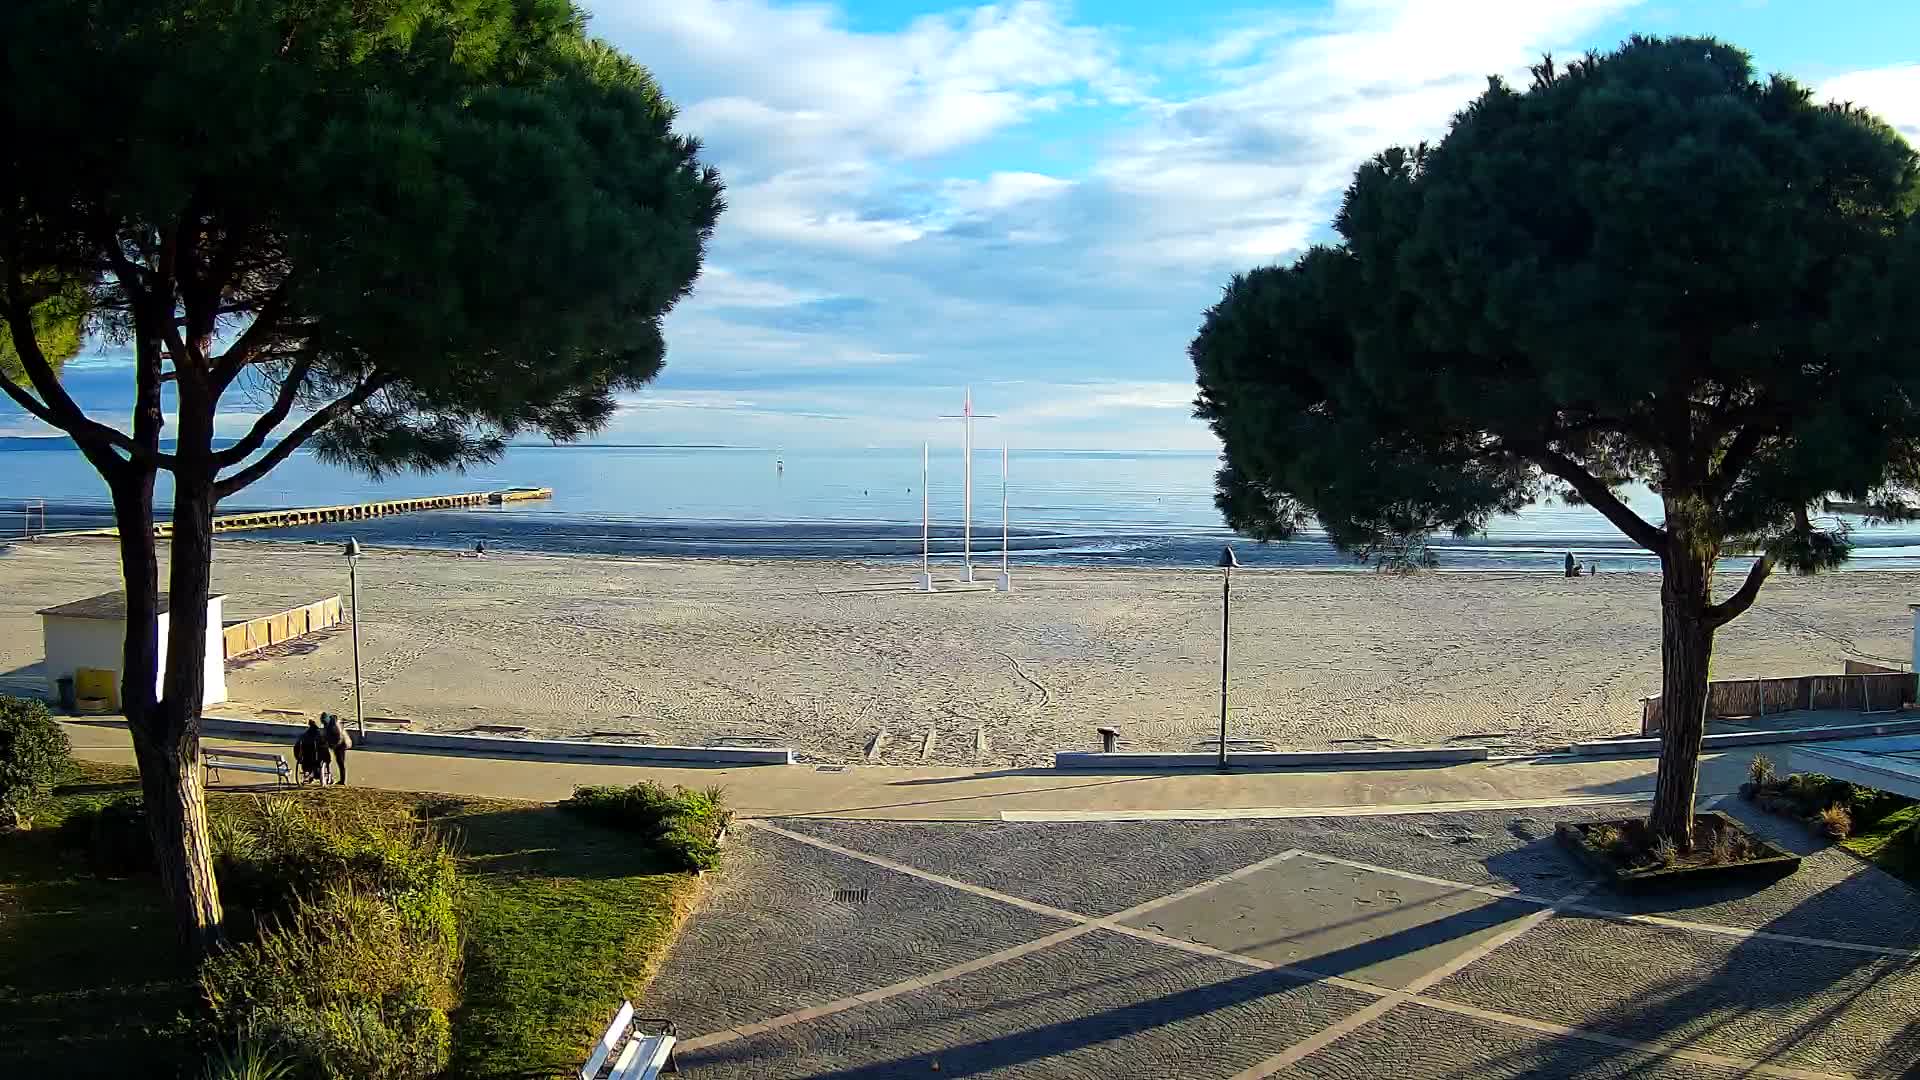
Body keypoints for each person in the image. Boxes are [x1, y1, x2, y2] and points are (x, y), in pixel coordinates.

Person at [321, 711, 353, 785]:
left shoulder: (335, 725)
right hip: (335, 744)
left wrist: (333, 745)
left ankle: (342, 781)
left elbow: (340, 738)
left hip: (341, 745)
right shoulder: (328, 724)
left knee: (340, 762)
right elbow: (326, 735)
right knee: (335, 761)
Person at [294, 718, 327, 784]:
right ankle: (318, 776)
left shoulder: (304, 735)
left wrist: (298, 758)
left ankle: (308, 775)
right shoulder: (319, 735)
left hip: (305, 761)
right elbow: (324, 746)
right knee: (323, 759)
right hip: (316, 761)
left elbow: (296, 747)